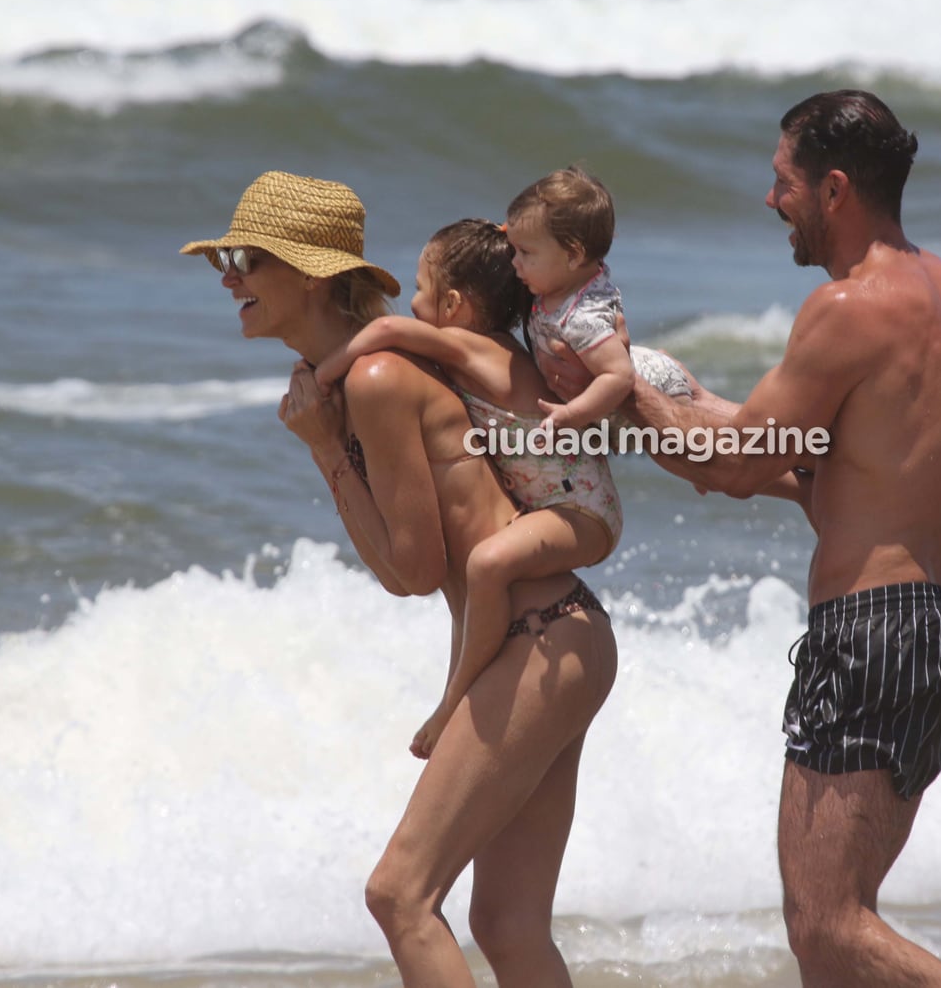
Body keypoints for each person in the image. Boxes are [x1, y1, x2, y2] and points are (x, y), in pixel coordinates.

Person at [182, 172, 617, 988]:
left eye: (244, 258)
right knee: (507, 924)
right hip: (562, 635)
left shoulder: (377, 380)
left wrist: (321, 450)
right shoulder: (368, 371)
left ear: (309, 274)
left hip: (538, 640)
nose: (227, 276)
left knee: (400, 894)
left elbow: (413, 572)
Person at [594, 91, 941, 986]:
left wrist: (623, 386)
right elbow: (821, 469)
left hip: (874, 634)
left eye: (783, 182)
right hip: (940, 628)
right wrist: (683, 407)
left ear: (835, 188)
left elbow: (734, 467)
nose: (770, 200)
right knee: (841, 937)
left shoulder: (849, 307)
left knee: (826, 925)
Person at [313, 218, 622, 759]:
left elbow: (387, 333)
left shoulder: (480, 350)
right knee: (474, 592)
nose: (409, 304)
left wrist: (328, 372)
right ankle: (454, 692)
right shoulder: (488, 355)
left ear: (453, 304)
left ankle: (452, 700)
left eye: (417, 288)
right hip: (563, 506)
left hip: (580, 511)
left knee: (484, 566)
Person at [506, 166, 692, 431]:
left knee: (690, 455)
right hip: (634, 375)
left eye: (524, 251)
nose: (514, 262)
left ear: (573, 256)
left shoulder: (583, 317)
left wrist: (572, 414)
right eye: (514, 248)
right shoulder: (558, 281)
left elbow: (619, 376)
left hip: (662, 388)